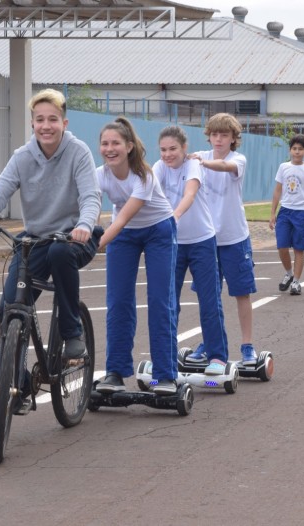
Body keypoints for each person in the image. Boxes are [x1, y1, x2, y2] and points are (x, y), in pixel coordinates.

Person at [0, 88, 102, 403]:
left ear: (64, 122)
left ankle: (72, 333)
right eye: (39, 120)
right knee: (8, 308)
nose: (46, 126)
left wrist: (83, 224)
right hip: (36, 239)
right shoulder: (23, 157)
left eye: (52, 119)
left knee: (59, 252)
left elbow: (90, 196)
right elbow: (0, 189)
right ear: (32, 124)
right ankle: (21, 381)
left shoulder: (78, 152)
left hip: (73, 238)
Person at [94, 117, 179, 395]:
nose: (110, 148)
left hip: (158, 230)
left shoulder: (144, 175)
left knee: (159, 300)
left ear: (129, 146)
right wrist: (86, 231)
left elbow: (120, 220)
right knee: (118, 301)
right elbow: (91, 208)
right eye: (105, 143)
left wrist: (94, 244)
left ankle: (165, 375)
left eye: (115, 143)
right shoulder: (99, 174)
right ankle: (115, 373)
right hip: (125, 237)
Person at [153, 125, 230, 375]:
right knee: (168, 302)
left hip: (202, 241)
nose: (167, 154)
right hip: (172, 244)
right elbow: (146, 192)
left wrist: (173, 217)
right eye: (163, 150)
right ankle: (165, 356)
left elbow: (190, 193)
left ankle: (217, 356)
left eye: (173, 149)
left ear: (184, 148)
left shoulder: (193, 165)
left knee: (209, 300)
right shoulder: (159, 167)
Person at [191, 113, 258, 366]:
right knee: (208, 295)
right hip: (205, 239)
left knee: (242, 293)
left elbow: (225, 167)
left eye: (224, 135)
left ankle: (247, 345)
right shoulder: (198, 156)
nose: (218, 139)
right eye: (214, 134)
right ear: (208, 136)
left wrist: (201, 164)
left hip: (234, 237)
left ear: (233, 139)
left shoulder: (237, 159)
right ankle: (210, 342)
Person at [269, 133, 304, 296]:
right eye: (294, 149)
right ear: (290, 150)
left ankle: (296, 282)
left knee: (299, 248)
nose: (297, 152)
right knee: (282, 246)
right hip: (285, 211)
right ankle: (289, 273)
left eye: (300, 149)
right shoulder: (283, 167)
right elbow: (277, 190)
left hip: (302, 212)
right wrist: (272, 213)